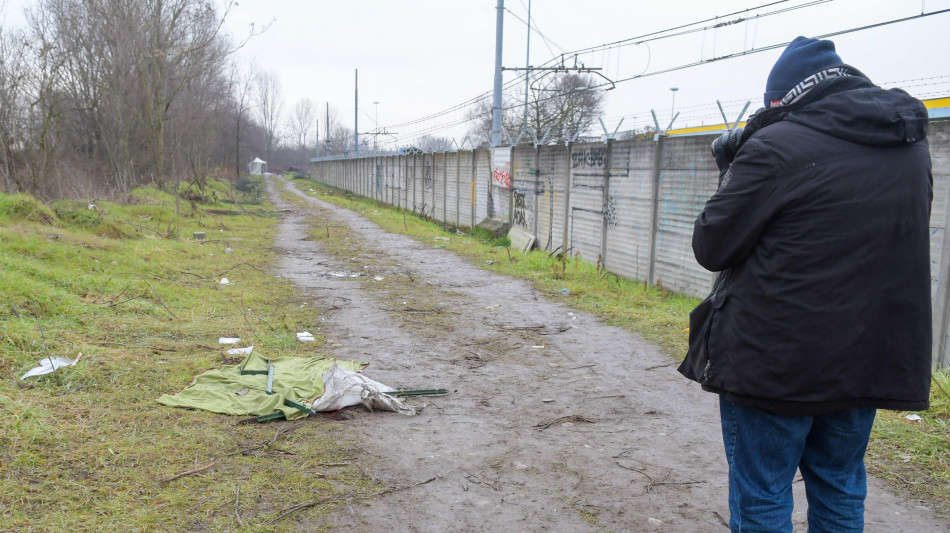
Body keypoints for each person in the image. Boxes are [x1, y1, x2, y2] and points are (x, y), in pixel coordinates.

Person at [679, 36, 933, 532]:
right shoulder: (909, 146)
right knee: (840, 484)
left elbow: (712, 245)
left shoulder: (775, 146)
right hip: (867, 357)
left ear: (783, 98)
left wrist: (732, 170)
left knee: (763, 492)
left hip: (775, 363)